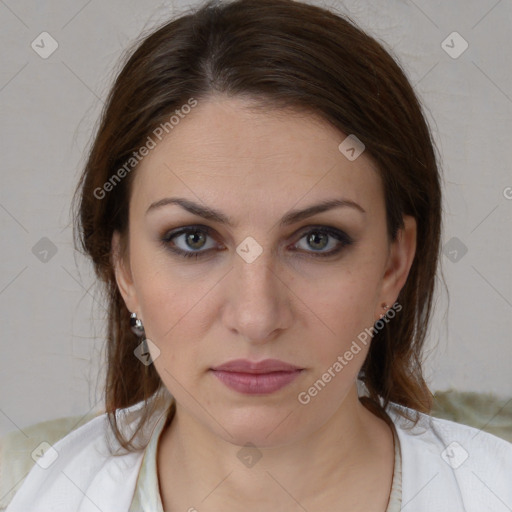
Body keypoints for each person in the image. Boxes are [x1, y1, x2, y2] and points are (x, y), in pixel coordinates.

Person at [4, 0, 512, 511]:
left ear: (393, 264)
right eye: (194, 239)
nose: (256, 317)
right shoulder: (18, 487)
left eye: (318, 239)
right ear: (124, 267)